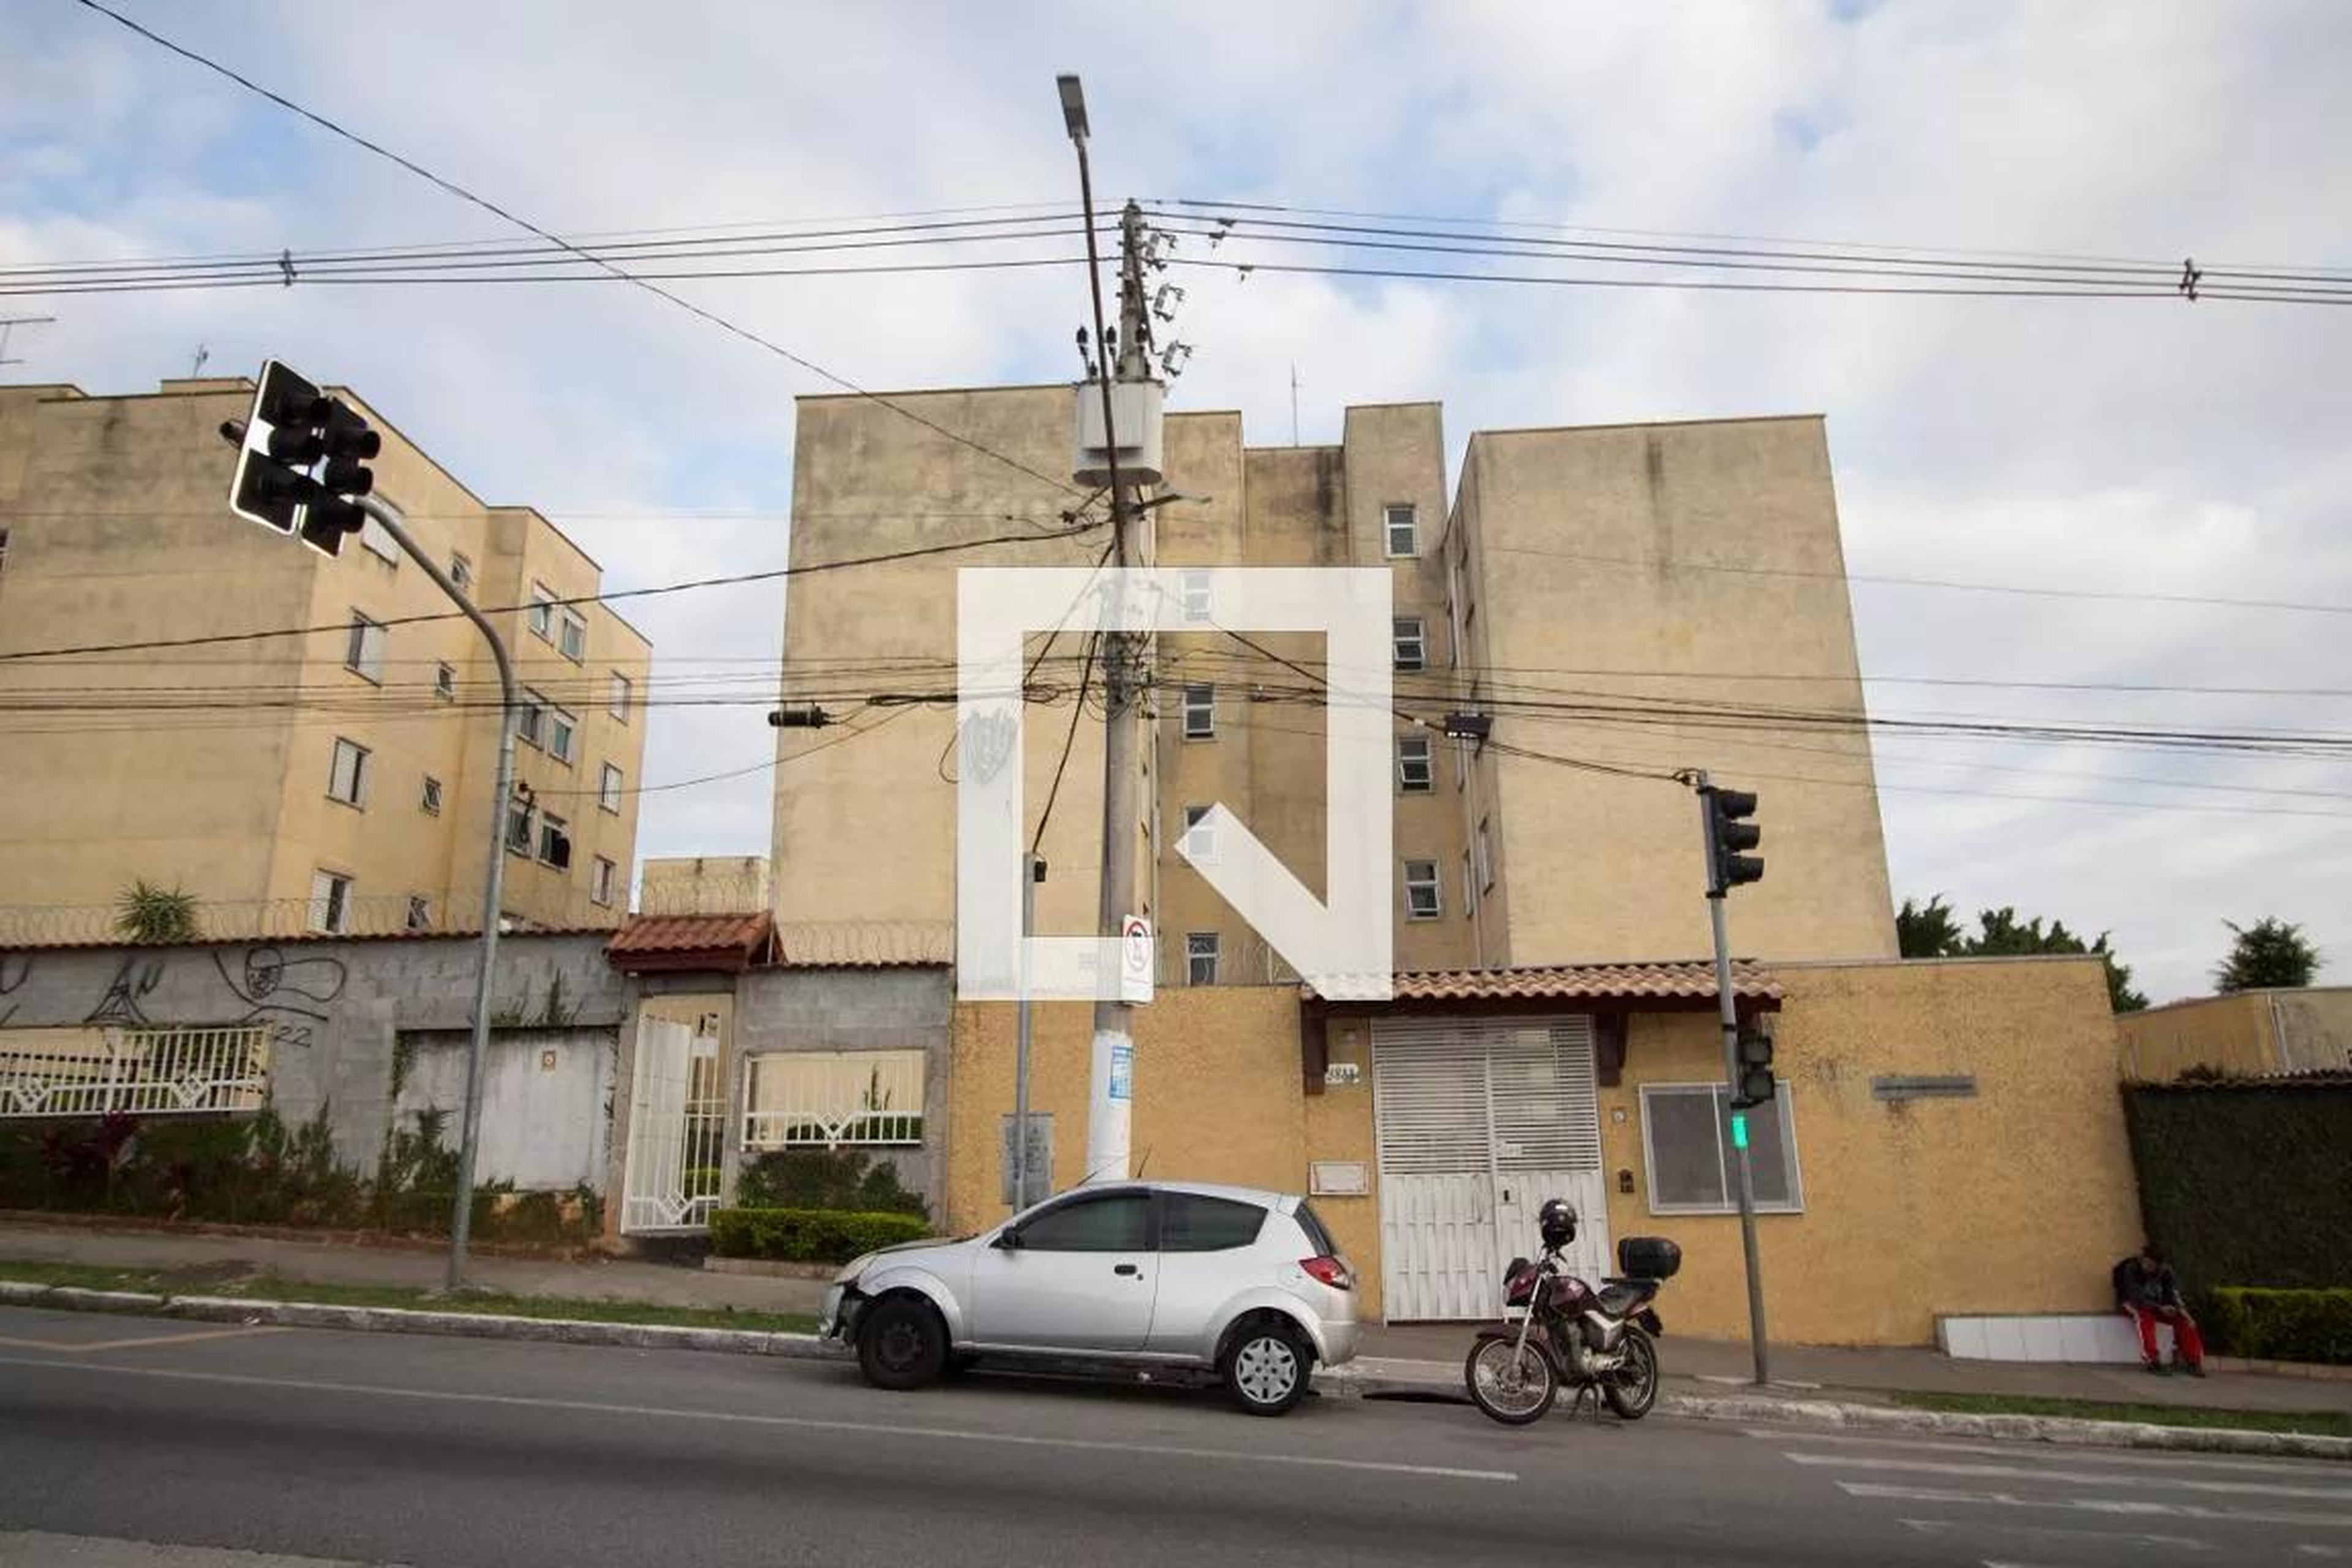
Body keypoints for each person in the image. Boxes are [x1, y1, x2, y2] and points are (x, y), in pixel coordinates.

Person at [2113, 1244, 2206, 1376]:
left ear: (2159, 1265)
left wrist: (2181, 1311)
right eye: (2145, 1263)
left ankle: (2193, 1362)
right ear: (2142, 1259)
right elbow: (2136, 1296)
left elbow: (2173, 1294)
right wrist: (2160, 1308)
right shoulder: (2131, 1269)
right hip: (2132, 1304)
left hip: (2158, 1306)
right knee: (2145, 1317)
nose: (2147, 1267)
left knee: (2185, 1321)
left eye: (2151, 1265)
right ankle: (2153, 1360)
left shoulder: (2166, 1271)